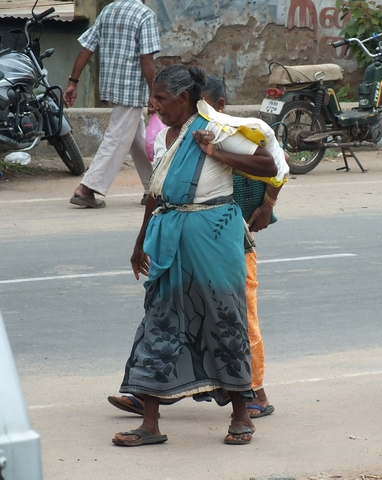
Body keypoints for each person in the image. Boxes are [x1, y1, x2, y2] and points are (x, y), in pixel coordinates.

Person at [112, 64, 277, 447]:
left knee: (224, 320)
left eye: (161, 99)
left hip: (213, 236)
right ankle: (150, 424)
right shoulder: (164, 137)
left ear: (184, 99)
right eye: (153, 98)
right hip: (169, 236)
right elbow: (156, 191)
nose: (153, 106)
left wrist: (215, 151)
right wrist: (139, 244)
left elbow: (268, 166)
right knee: (159, 322)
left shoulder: (215, 128)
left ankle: (240, 417)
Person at [63, 0, 161, 208]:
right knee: (116, 138)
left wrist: (73, 81)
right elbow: (146, 58)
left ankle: (154, 189)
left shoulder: (108, 10)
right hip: (132, 88)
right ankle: (86, 188)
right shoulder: (144, 14)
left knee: (137, 138)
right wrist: (155, 93)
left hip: (111, 85)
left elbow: (86, 49)